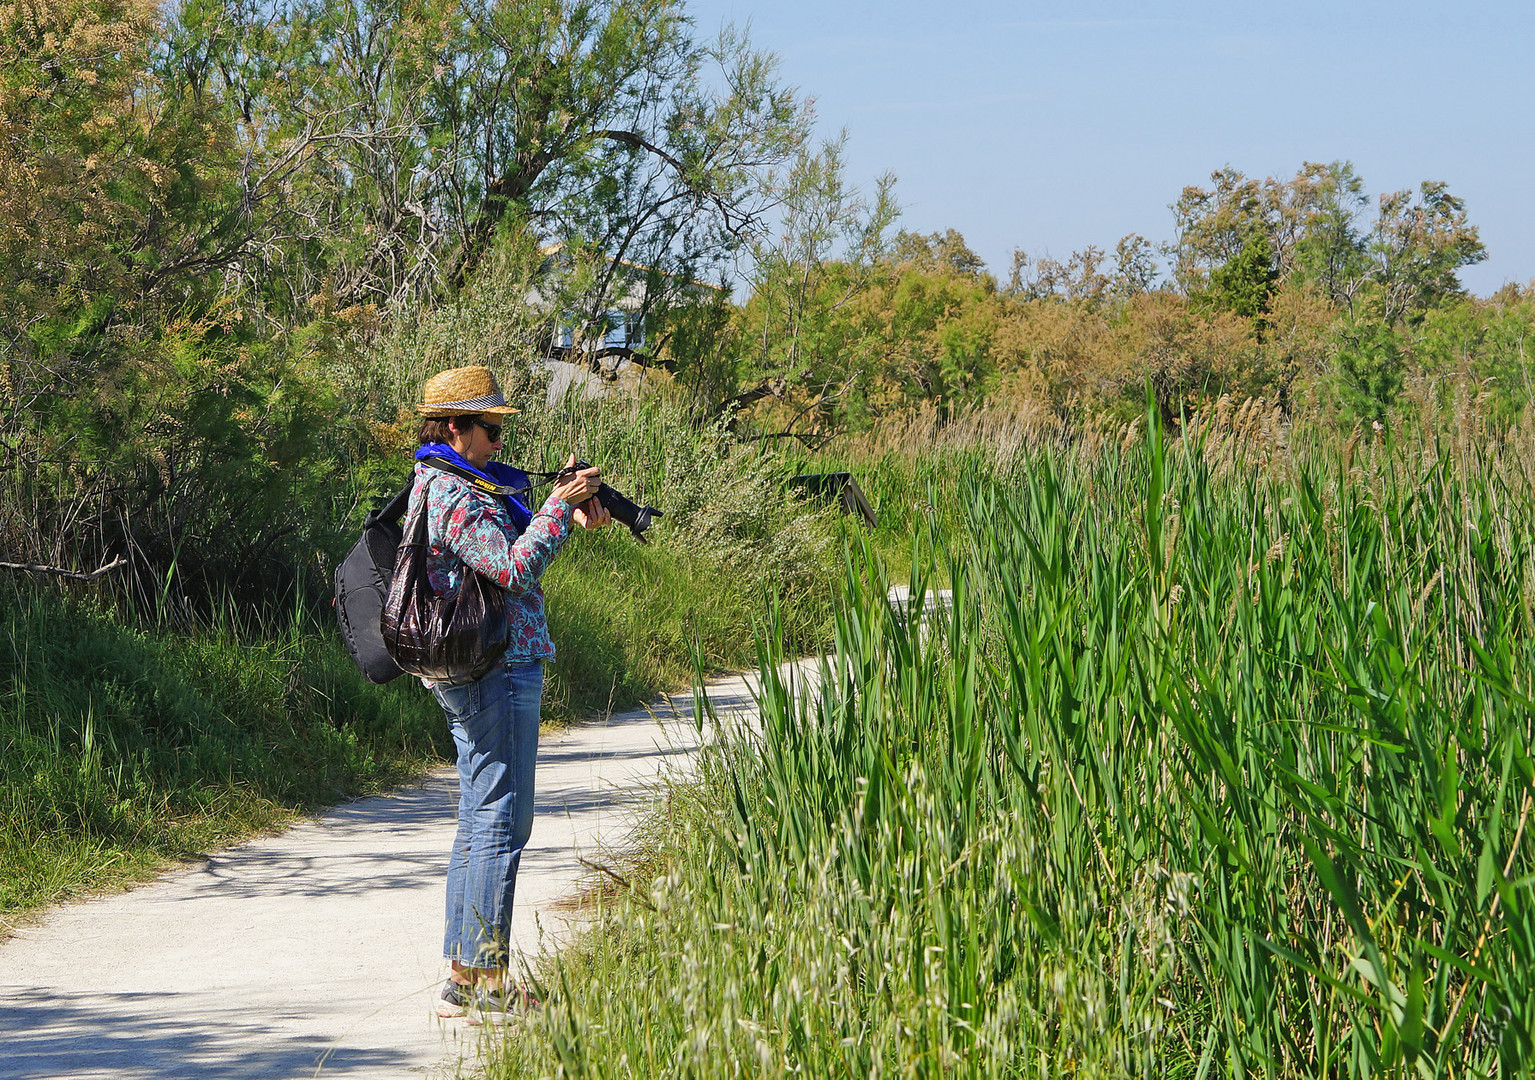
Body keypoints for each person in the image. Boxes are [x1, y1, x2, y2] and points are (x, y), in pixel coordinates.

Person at [408, 365, 609, 1023]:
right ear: (456, 427)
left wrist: (561, 504)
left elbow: (509, 549)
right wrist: (557, 507)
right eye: (490, 428)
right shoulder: (452, 493)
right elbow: (513, 568)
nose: (498, 441)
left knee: (483, 814)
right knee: (501, 817)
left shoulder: (457, 482)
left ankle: (464, 976)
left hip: (485, 663)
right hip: (494, 665)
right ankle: (489, 983)